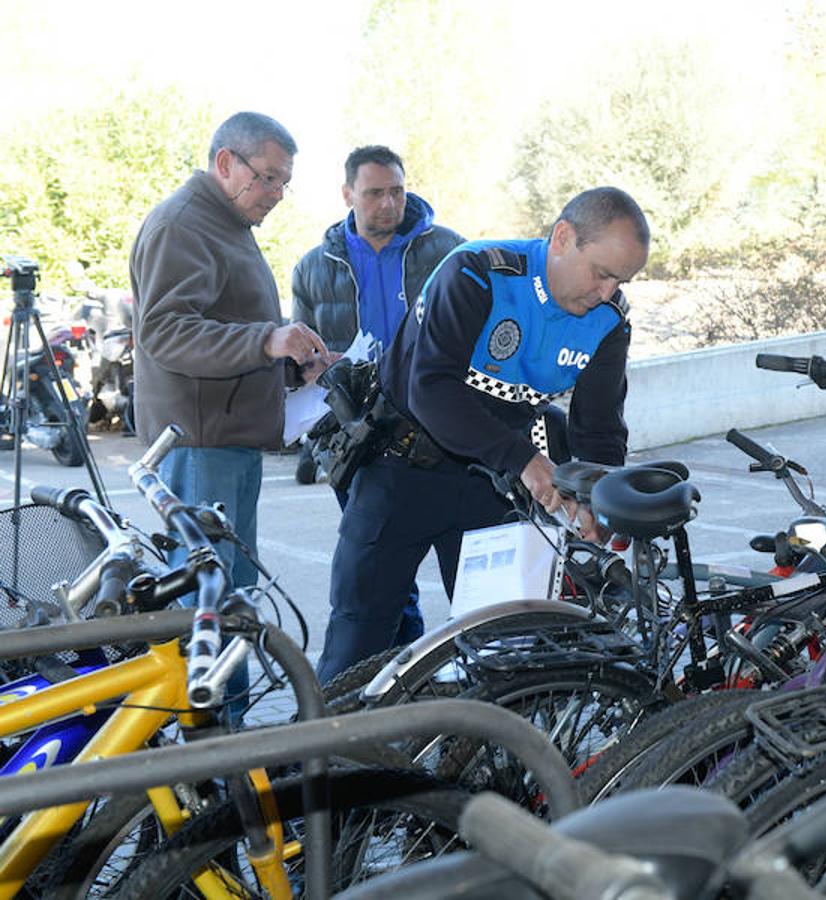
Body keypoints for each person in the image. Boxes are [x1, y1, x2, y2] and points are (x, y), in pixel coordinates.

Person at [315, 187, 650, 684]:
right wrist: (526, 461)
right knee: (357, 644)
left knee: (499, 650)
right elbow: (430, 389)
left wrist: (598, 502)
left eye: (620, 280)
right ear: (562, 238)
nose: (607, 292)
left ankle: (471, 755)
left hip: (489, 489)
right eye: (601, 273)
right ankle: (324, 759)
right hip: (401, 470)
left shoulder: (609, 320)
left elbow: (598, 428)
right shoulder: (478, 273)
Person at [130, 111, 337, 718]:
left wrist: (290, 361)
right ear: (226, 164)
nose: (276, 194)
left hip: (223, 442)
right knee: (211, 608)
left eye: (283, 182)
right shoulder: (183, 224)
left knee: (226, 602)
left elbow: (223, 327)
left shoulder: (222, 221)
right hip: (200, 448)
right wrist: (267, 343)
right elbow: (165, 332)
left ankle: (226, 747)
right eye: (268, 178)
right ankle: (213, 757)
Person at [291, 145, 466, 645]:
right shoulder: (313, 268)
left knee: (467, 573)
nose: (387, 204)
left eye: (397, 191)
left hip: (442, 439)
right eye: (373, 194)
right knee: (382, 579)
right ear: (348, 194)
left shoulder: (451, 251)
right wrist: (314, 368)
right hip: (360, 443)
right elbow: (301, 354)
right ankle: (402, 671)